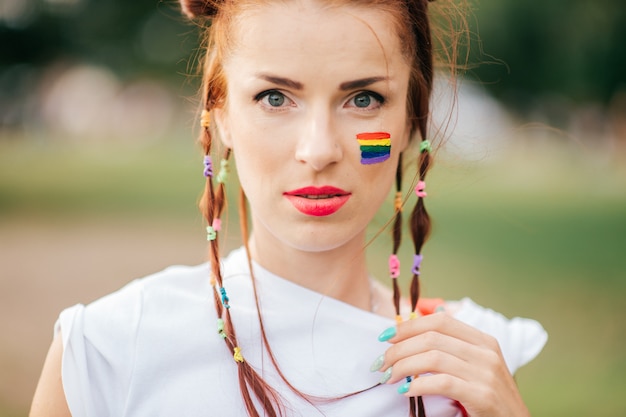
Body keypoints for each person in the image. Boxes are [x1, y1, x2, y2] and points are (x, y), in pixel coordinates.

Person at [30, 0, 548, 416]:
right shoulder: (110, 348)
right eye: (275, 98)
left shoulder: (467, 366)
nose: (319, 149)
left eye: (363, 98)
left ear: (411, 120)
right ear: (222, 114)